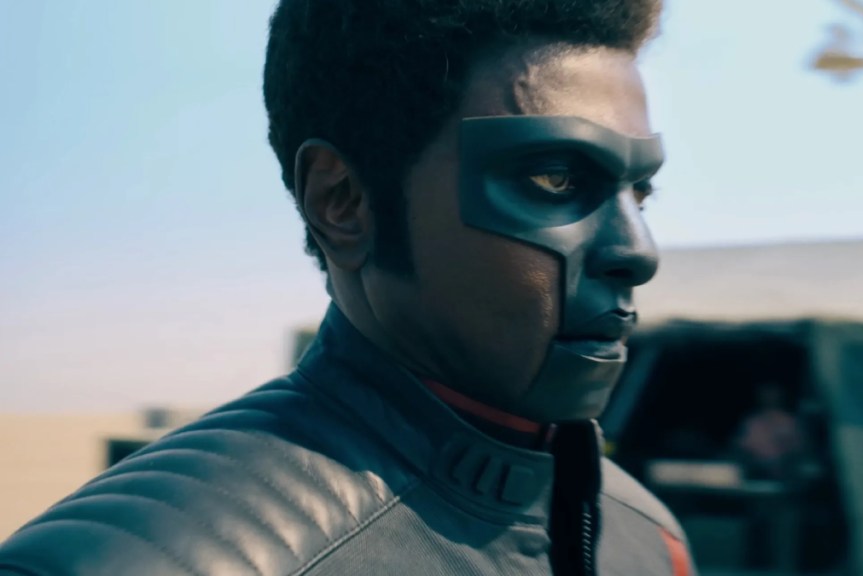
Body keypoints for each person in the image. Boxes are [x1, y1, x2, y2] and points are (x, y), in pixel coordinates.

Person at [0, 1, 696, 575]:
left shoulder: (648, 539)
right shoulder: (122, 561)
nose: (637, 252)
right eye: (555, 179)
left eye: (641, 190)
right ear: (342, 202)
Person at [734, 381, 804, 481]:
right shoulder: (751, 421)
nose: (768, 397)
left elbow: (797, 449)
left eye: (772, 393)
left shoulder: (790, 422)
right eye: (765, 393)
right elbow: (741, 447)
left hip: (783, 475)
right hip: (754, 473)